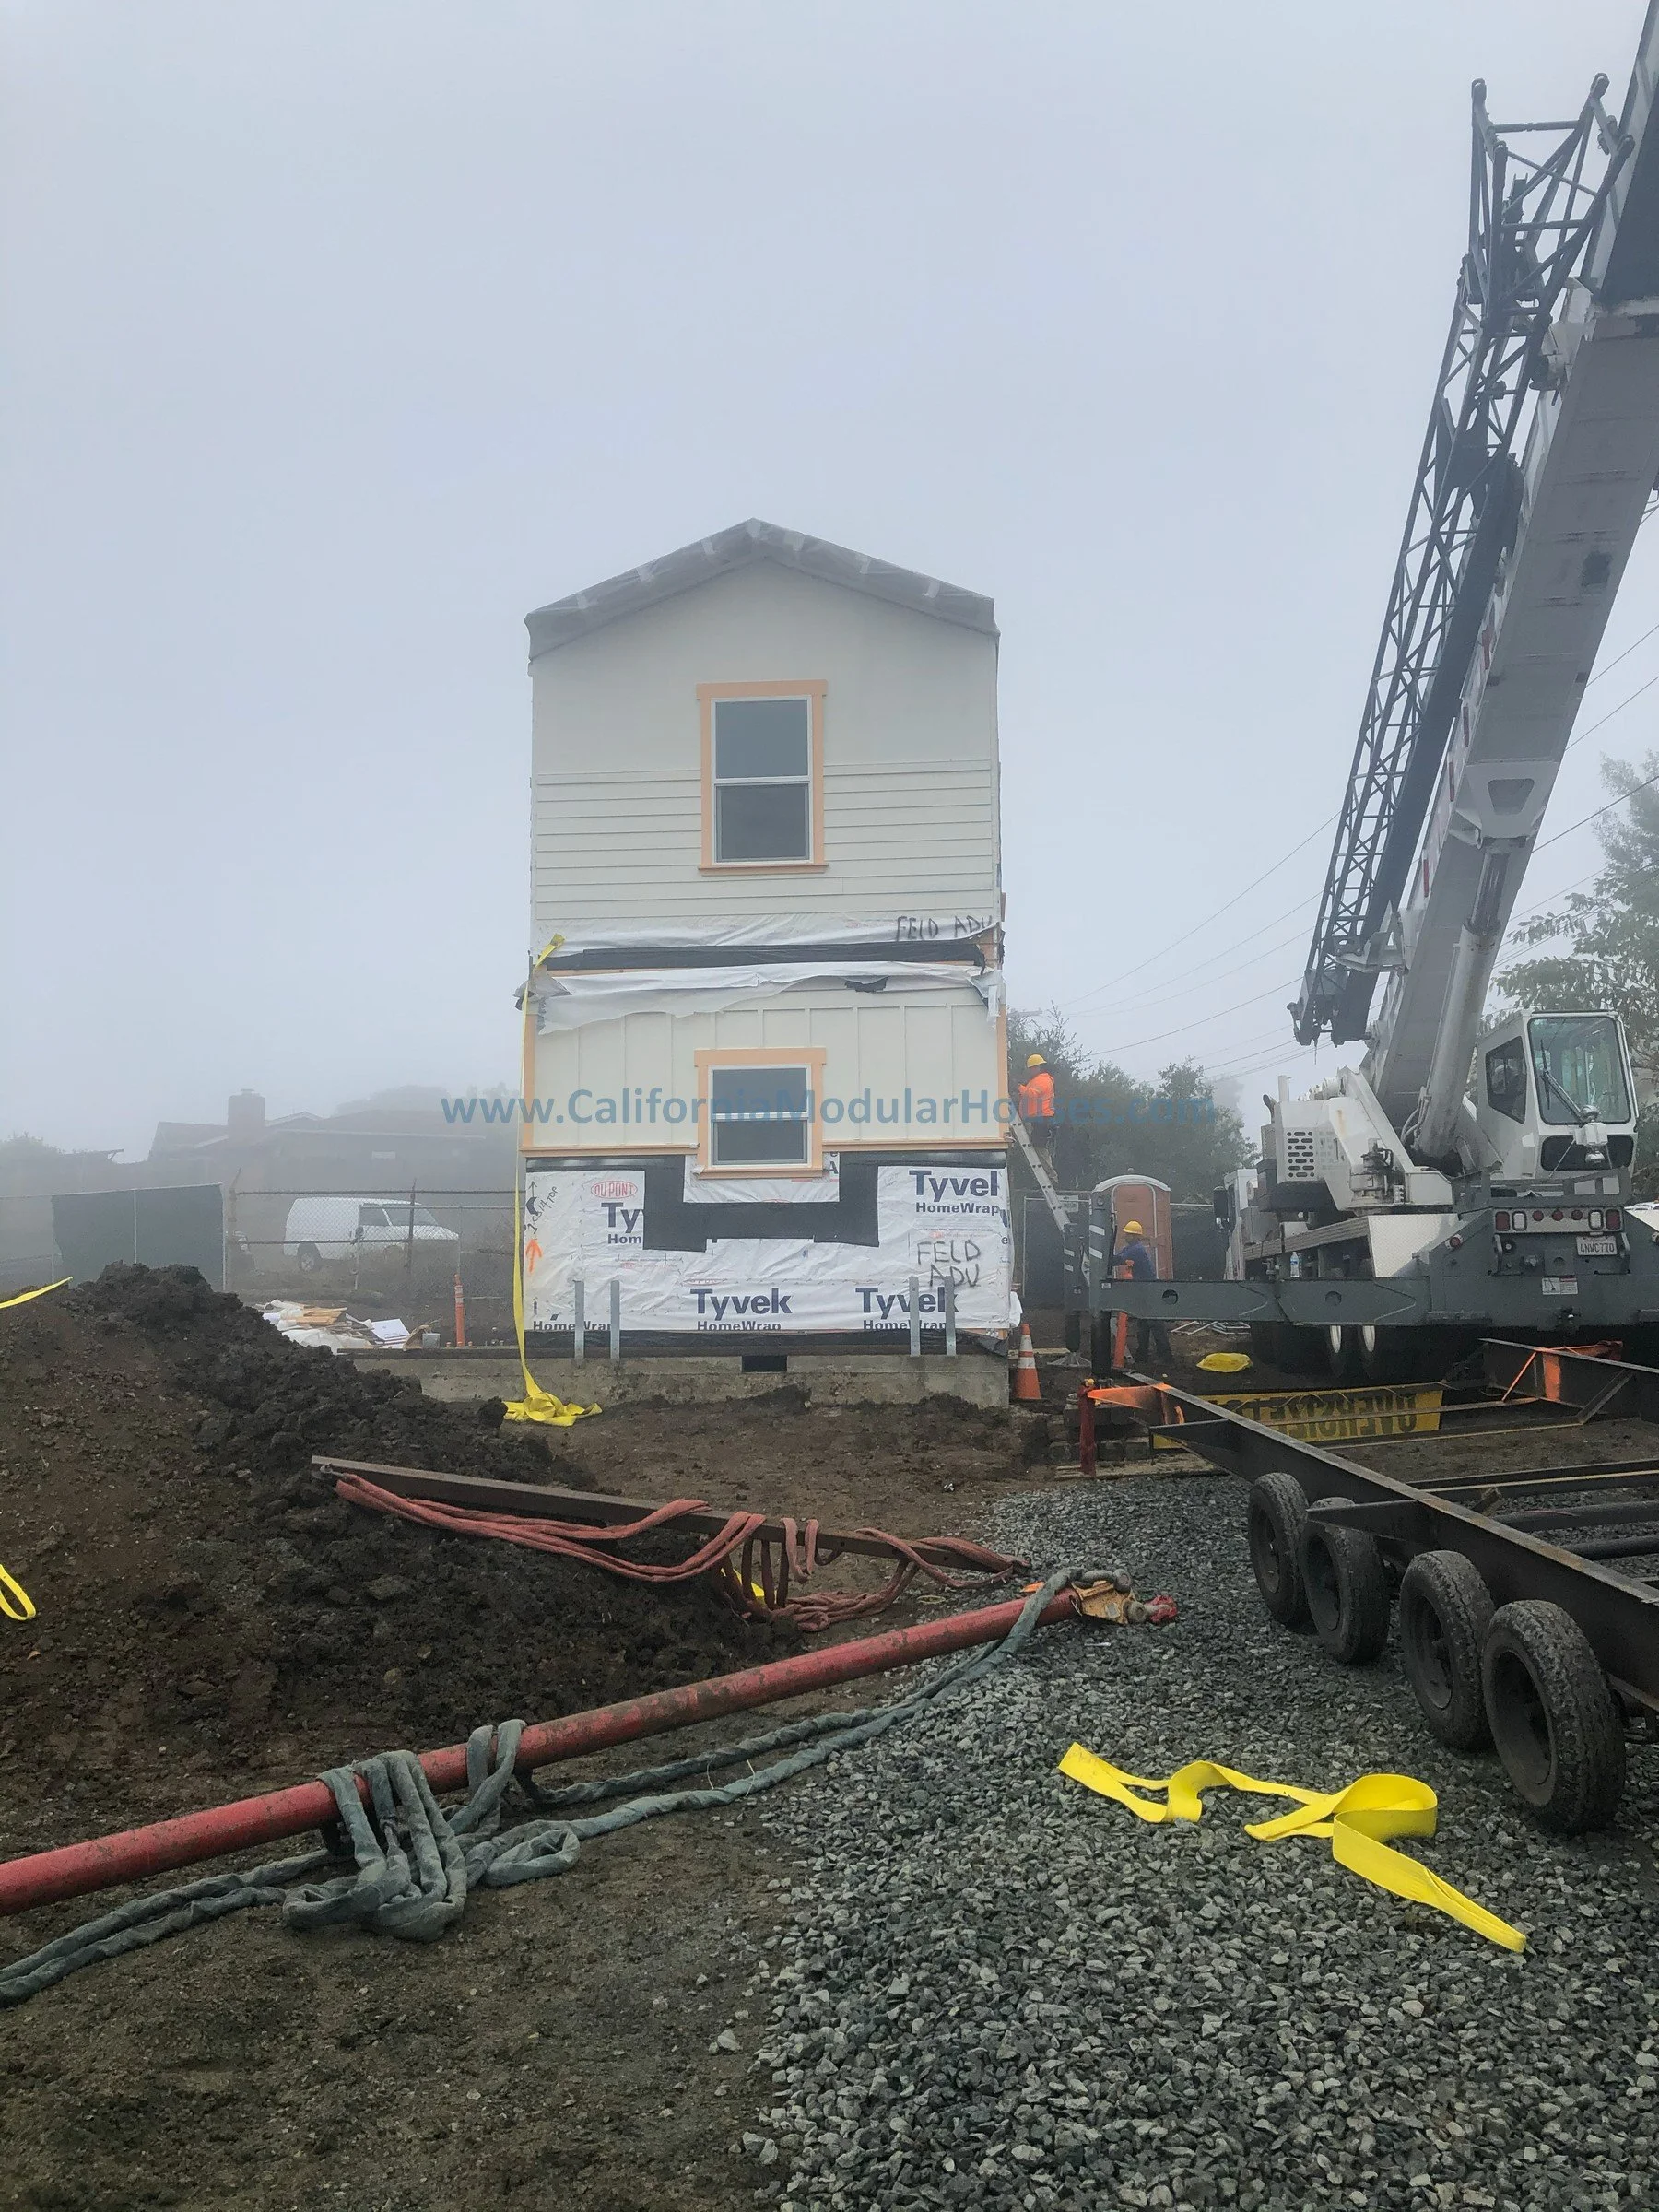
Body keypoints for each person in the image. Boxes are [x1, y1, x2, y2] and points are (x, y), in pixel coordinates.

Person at [1114, 1218, 1171, 1366]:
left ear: (1134, 1236)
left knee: (1155, 1324)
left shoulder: (1136, 1250)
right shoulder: (1132, 1247)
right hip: (1144, 1289)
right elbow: (1117, 1257)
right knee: (1143, 1325)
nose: (1125, 1236)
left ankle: (1166, 1357)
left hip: (1149, 1290)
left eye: (1128, 1234)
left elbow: (1117, 1260)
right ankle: (1142, 1356)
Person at [1017, 1053, 1057, 1151]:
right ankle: (1046, 1166)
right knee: (1037, 1150)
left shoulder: (1042, 1080)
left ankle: (1047, 1167)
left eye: (1031, 1068)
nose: (1029, 1071)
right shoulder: (1037, 1080)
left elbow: (1032, 1094)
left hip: (1041, 1120)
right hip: (1039, 1120)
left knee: (1039, 1151)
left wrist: (1018, 1087)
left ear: (1038, 1067)